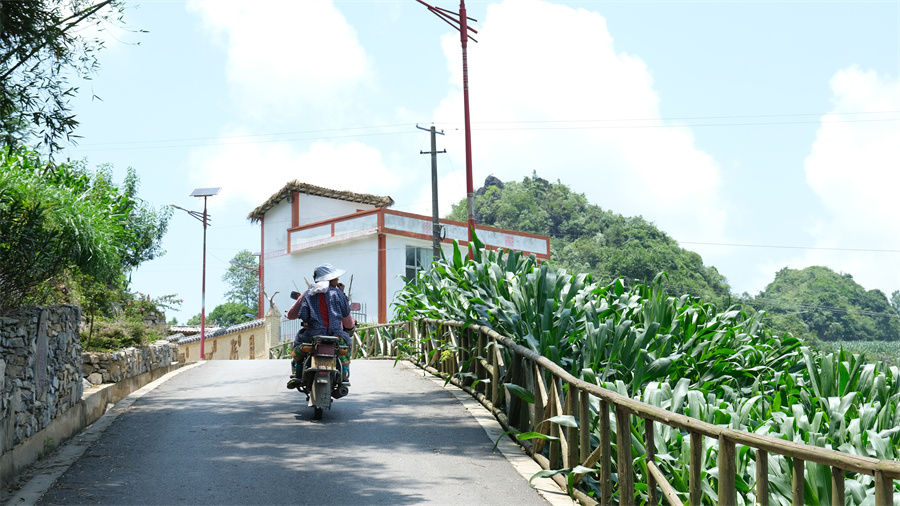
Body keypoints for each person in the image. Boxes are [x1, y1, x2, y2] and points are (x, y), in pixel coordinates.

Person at [286, 263, 355, 389]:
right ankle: (344, 373)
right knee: (346, 347)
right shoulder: (338, 294)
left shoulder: (308, 293)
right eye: (335, 277)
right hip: (336, 335)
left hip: (313, 335)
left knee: (298, 346)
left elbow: (302, 314)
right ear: (328, 279)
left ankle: (297, 371)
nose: (338, 279)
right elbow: (346, 316)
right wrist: (342, 294)